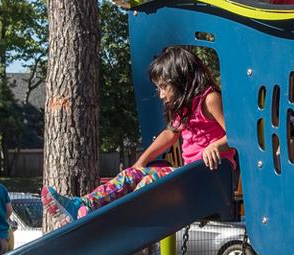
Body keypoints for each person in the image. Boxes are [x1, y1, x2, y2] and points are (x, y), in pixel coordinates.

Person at [47, 46, 232, 221]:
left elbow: (236, 136)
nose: (160, 94)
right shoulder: (184, 108)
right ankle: (82, 205)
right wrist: (140, 163)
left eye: (163, 86)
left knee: (151, 183)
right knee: (130, 175)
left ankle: (115, 219)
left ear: (180, 79)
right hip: (189, 176)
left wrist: (215, 145)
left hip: (212, 179)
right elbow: (170, 134)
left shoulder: (210, 99)